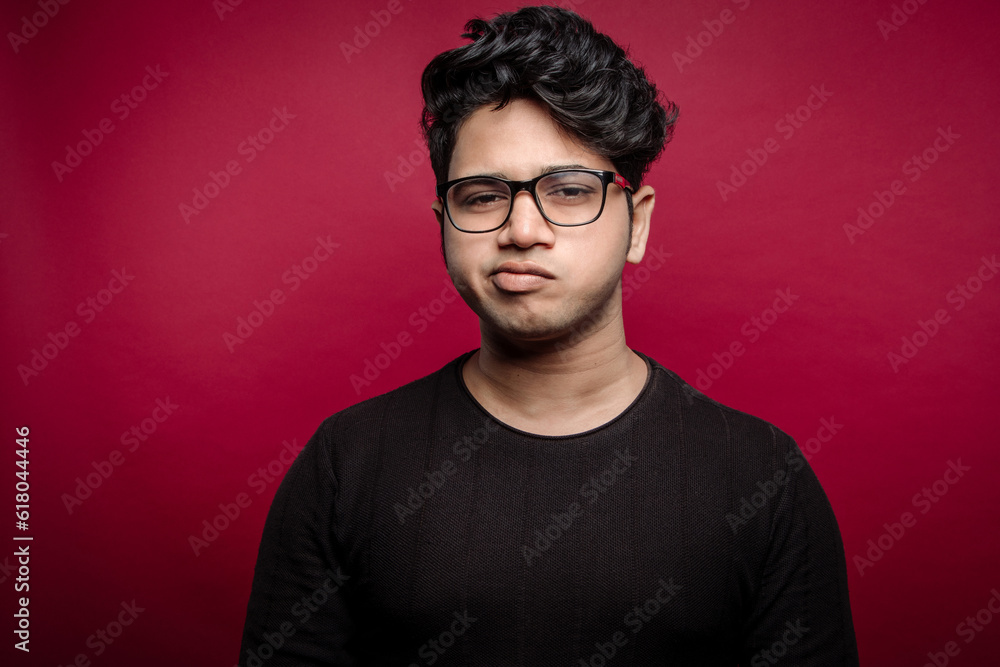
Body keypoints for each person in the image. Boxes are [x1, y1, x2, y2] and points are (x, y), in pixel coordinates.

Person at [239, 5, 859, 665]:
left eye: (568, 190)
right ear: (443, 221)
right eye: (482, 195)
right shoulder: (346, 464)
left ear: (638, 223)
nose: (523, 230)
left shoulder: (760, 476)